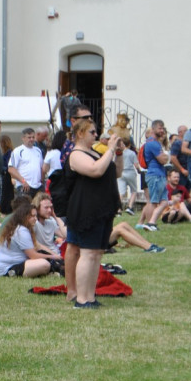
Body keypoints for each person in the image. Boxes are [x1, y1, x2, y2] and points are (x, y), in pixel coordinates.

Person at [63, 117, 121, 309]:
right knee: (87, 253)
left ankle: (90, 296)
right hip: (86, 210)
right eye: (92, 132)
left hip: (101, 209)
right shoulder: (76, 154)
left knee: (96, 253)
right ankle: (81, 299)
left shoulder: (95, 152)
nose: (96, 135)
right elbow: (95, 170)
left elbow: (116, 172)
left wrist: (117, 153)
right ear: (80, 134)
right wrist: (110, 149)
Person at [0, 203, 61, 278]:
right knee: (44, 264)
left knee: (44, 260)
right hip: (8, 269)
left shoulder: (21, 228)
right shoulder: (21, 231)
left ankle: (49, 272)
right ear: (24, 217)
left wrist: (54, 255)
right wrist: (52, 257)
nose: (35, 218)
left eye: (36, 216)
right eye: (32, 216)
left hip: (19, 264)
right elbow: (33, 256)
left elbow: (38, 246)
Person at [135, 119, 169, 232]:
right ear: (153, 129)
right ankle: (150, 223)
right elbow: (163, 160)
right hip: (155, 176)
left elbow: (163, 158)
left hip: (159, 175)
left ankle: (151, 222)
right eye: (160, 128)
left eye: (163, 128)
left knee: (164, 201)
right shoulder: (153, 144)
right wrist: (165, 156)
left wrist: (164, 156)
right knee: (153, 202)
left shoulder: (155, 143)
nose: (162, 130)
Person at [7, 128, 45, 197]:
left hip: (38, 186)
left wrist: (41, 181)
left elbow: (41, 167)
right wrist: (23, 181)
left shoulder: (38, 150)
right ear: (23, 138)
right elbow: (11, 169)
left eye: (33, 137)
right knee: (25, 207)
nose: (31, 139)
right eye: (29, 137)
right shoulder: (18, 151)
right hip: (24, 186)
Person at [31, 191, 65, 256]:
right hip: (47, 255)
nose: (49, 210)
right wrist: (54, 255)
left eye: (51, 207)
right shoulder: (34, 224)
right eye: (46, 207)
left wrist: (55, 216)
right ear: (37, 209)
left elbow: (65, 235)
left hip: (57, 253)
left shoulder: (51, 221)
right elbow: (36, 244)